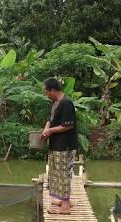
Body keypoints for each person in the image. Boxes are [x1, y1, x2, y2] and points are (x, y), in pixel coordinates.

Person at [41, 77, 79, 214]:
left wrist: (50, 131)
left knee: (63, 174)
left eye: (46, 92)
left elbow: (67, 125)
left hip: (65, 145)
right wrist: (46, 130)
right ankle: (63, 200)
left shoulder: (66, 103)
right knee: (56, 173)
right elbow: (49, 120)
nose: (46, 94)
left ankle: (66, 206)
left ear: (52, 90)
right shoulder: (55, 103)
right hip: (56, 145)